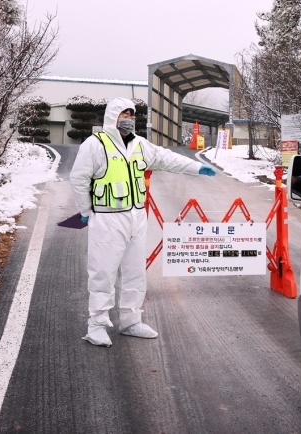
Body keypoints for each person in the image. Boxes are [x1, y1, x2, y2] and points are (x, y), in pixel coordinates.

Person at [70, 97, 217, 347]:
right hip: (107, 218)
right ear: (112, 117)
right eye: (124, 114)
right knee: (102, 273)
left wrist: (196, 168)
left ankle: (131, 320)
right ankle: (96, 323)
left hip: (137, 217)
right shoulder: (95, 145)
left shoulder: (140, 145)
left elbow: (168, 159)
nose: (129, 119)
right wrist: (85, 210)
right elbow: (79, 178)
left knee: (135, 273)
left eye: (132, 114)